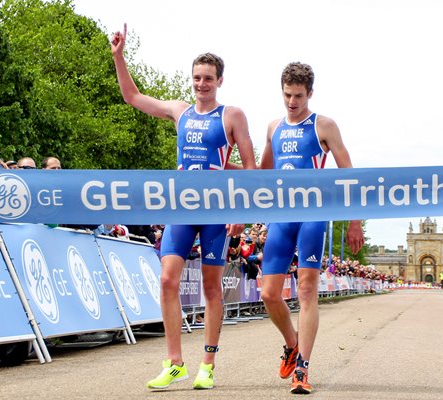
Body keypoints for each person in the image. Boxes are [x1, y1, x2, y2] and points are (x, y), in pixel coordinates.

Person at [110, 23, 256, 390]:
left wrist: (242, 215)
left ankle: (207, 363)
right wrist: (118, 57)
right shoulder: (180, 111)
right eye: (196, 78)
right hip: (181, 207)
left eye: (208, 78)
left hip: (216, 212)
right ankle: (174, 362)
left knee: (211, 288)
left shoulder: (232, 116)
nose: (201, 84)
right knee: (167, 279)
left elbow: (251, 171)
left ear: (220, 80)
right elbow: (133, 97)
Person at [257, 62, 364, 394]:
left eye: (299, 96)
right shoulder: (274, 127)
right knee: (269, 293)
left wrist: (354, 222)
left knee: (306, 290)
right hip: (281, 217)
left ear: (310, 94)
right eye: (287, 95)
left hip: (313, 216)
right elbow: (260, 175)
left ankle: (302, 368)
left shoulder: (324, 126)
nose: (292, 102)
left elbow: (350, 175)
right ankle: (292, 343)